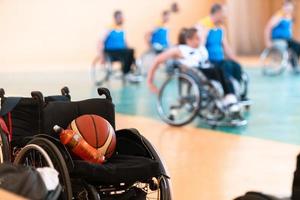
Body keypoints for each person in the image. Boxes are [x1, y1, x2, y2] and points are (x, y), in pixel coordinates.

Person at [147, 27, 239, 107]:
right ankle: (229, 97)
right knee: (218, 69)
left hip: (205, 69)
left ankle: (231, 96)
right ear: (188, 40)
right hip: (194, 73)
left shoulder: (200, 48)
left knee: (226, 67)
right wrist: (150, 81)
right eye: (197, 38)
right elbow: (157, 60)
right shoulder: (179, 49)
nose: (200, 41)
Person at [196, 3, 244, 95]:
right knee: (225, 68)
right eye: (224, 13)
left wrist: (235, 60)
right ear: (218, 13)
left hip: (219, 60)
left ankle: (235, 91)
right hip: (208, 61)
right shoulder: (201, 25)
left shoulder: (221, 28)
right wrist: (204, 35)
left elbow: (226, 47)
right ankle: (229, 94)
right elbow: (198, 46)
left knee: (236, 66)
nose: (226, 16)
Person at [95, 10, 140, 81]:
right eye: (120, 17)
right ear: (116, 18)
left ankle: (129, 71)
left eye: (122, 17)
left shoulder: (122, 30)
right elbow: (100, 42)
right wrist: (101, 56)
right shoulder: (108, 28)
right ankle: (126, 73)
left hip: (121, 52)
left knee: (131, 52)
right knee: (129, 52)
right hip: (111, 52)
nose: (122, 19)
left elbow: (125, 43)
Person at [265, 0, 300, 67]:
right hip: (278, 39)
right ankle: (290, 61)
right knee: (286, 47)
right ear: (283, 6)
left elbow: (289, 31)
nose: (288, 8)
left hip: (287, 39)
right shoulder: (278, 16)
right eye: (286, 6)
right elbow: (268, 28)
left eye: (289, 6)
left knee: (298, 46)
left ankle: (294, 63)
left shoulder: (290, 17)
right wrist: (268, 41)